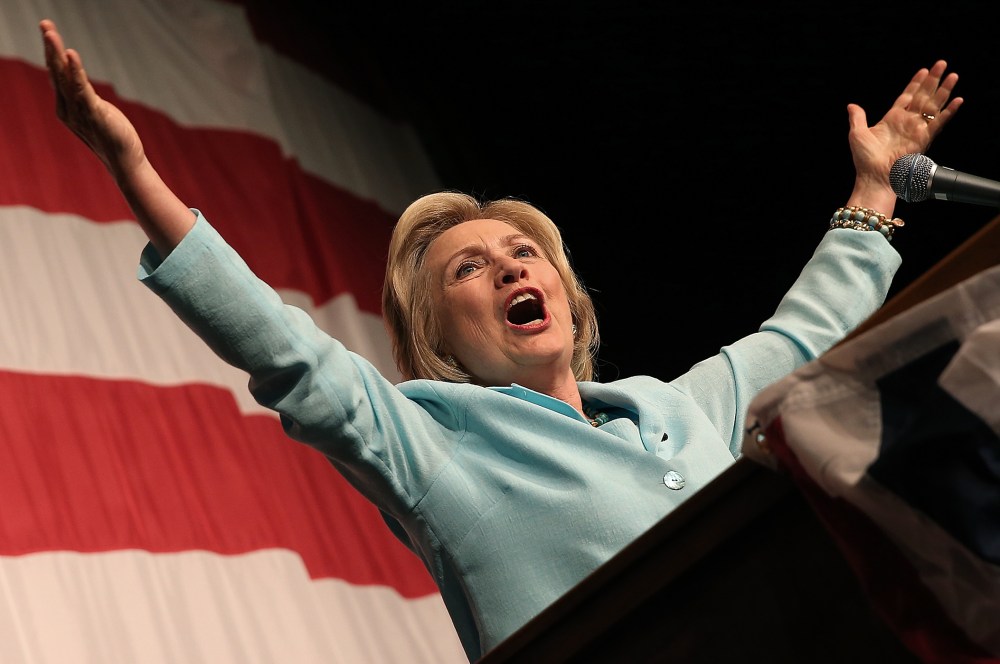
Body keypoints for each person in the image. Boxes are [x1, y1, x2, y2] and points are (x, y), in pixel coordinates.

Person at [39, 17, 963, 661]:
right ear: (437, 333)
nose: (513, 269)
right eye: (469, 269)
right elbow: (289, 351)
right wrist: (135, 172)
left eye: (525, 252)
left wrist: (875, 189)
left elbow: (801, 333)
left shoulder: (681, 410)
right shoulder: (433, 448)